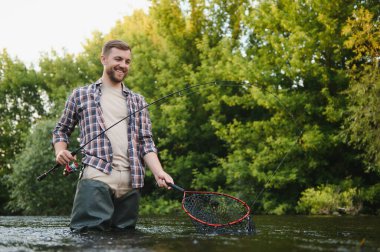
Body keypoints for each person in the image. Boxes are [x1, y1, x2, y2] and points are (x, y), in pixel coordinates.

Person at [52, 39, 174, 232]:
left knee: (125, 241)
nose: (123, 65)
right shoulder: (81, 95)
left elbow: (146, 142)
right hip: (97, 176)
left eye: (127, 61)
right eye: (118, 59)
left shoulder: (138, 100)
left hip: (131, 181)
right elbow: (61, 129)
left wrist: (159, 172)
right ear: (103, 59)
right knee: (88, 239)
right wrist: (61, 151)